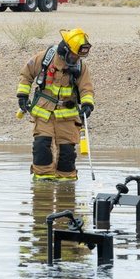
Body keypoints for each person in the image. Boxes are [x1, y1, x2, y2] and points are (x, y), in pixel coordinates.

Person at [17, 28, 95, 180]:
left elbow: (86, 88)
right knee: (41, 147)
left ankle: (66, 187)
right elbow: (26, 75)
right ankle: (42, 185)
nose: (76, 58)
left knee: (67, 155)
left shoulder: (80, 67)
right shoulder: (44, 58)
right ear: (65, 49)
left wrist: (87, 105)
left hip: (67, 117)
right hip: (43, 114)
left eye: (79, 56)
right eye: (74, 55)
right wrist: (22, 95)